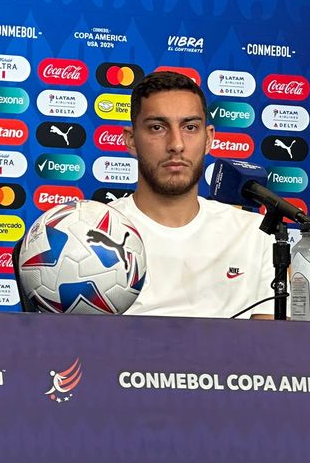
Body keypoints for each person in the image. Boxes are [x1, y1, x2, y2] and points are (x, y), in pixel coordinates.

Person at [109, 70, 274, 318]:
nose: (176, 144)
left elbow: (272, 339)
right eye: (157, 127)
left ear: (208, 139)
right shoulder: (94, 234)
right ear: (131, 140)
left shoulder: (255, 234)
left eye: (190, 127)